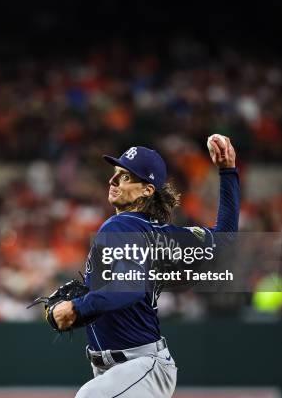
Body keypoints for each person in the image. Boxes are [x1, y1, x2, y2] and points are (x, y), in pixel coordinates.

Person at [52, 136, 240, 398]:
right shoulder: (163, 235)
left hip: (139, 366)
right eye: (115, 174)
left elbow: (129, 289)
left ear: (147, 190)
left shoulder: (120, 226)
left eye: (125, 176)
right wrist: (227, 171)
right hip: (129, 370)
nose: (113, 181)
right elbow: (225, 239)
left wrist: (77, 307)